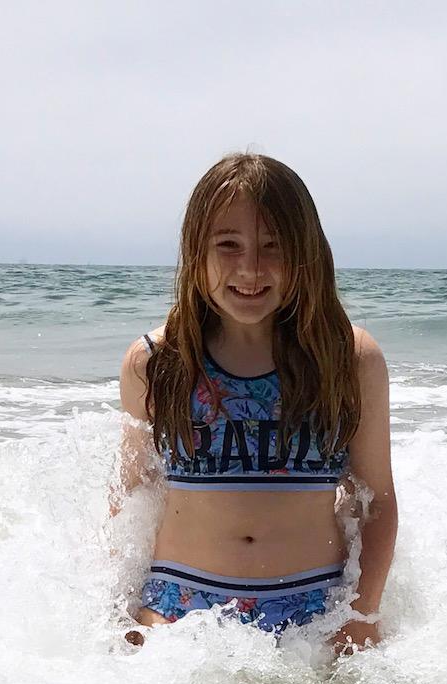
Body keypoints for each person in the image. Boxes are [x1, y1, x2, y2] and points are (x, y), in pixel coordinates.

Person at [109, 152, 398, 655]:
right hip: (177, 613)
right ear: (195, 252)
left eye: (274, 246)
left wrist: (363, 614)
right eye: (228, 245)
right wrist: (116, 610)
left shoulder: (348, 358)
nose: (250, 268)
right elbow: (132, 498)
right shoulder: (156, 362)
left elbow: (378, 502)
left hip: (314, 614)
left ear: (307, 253)